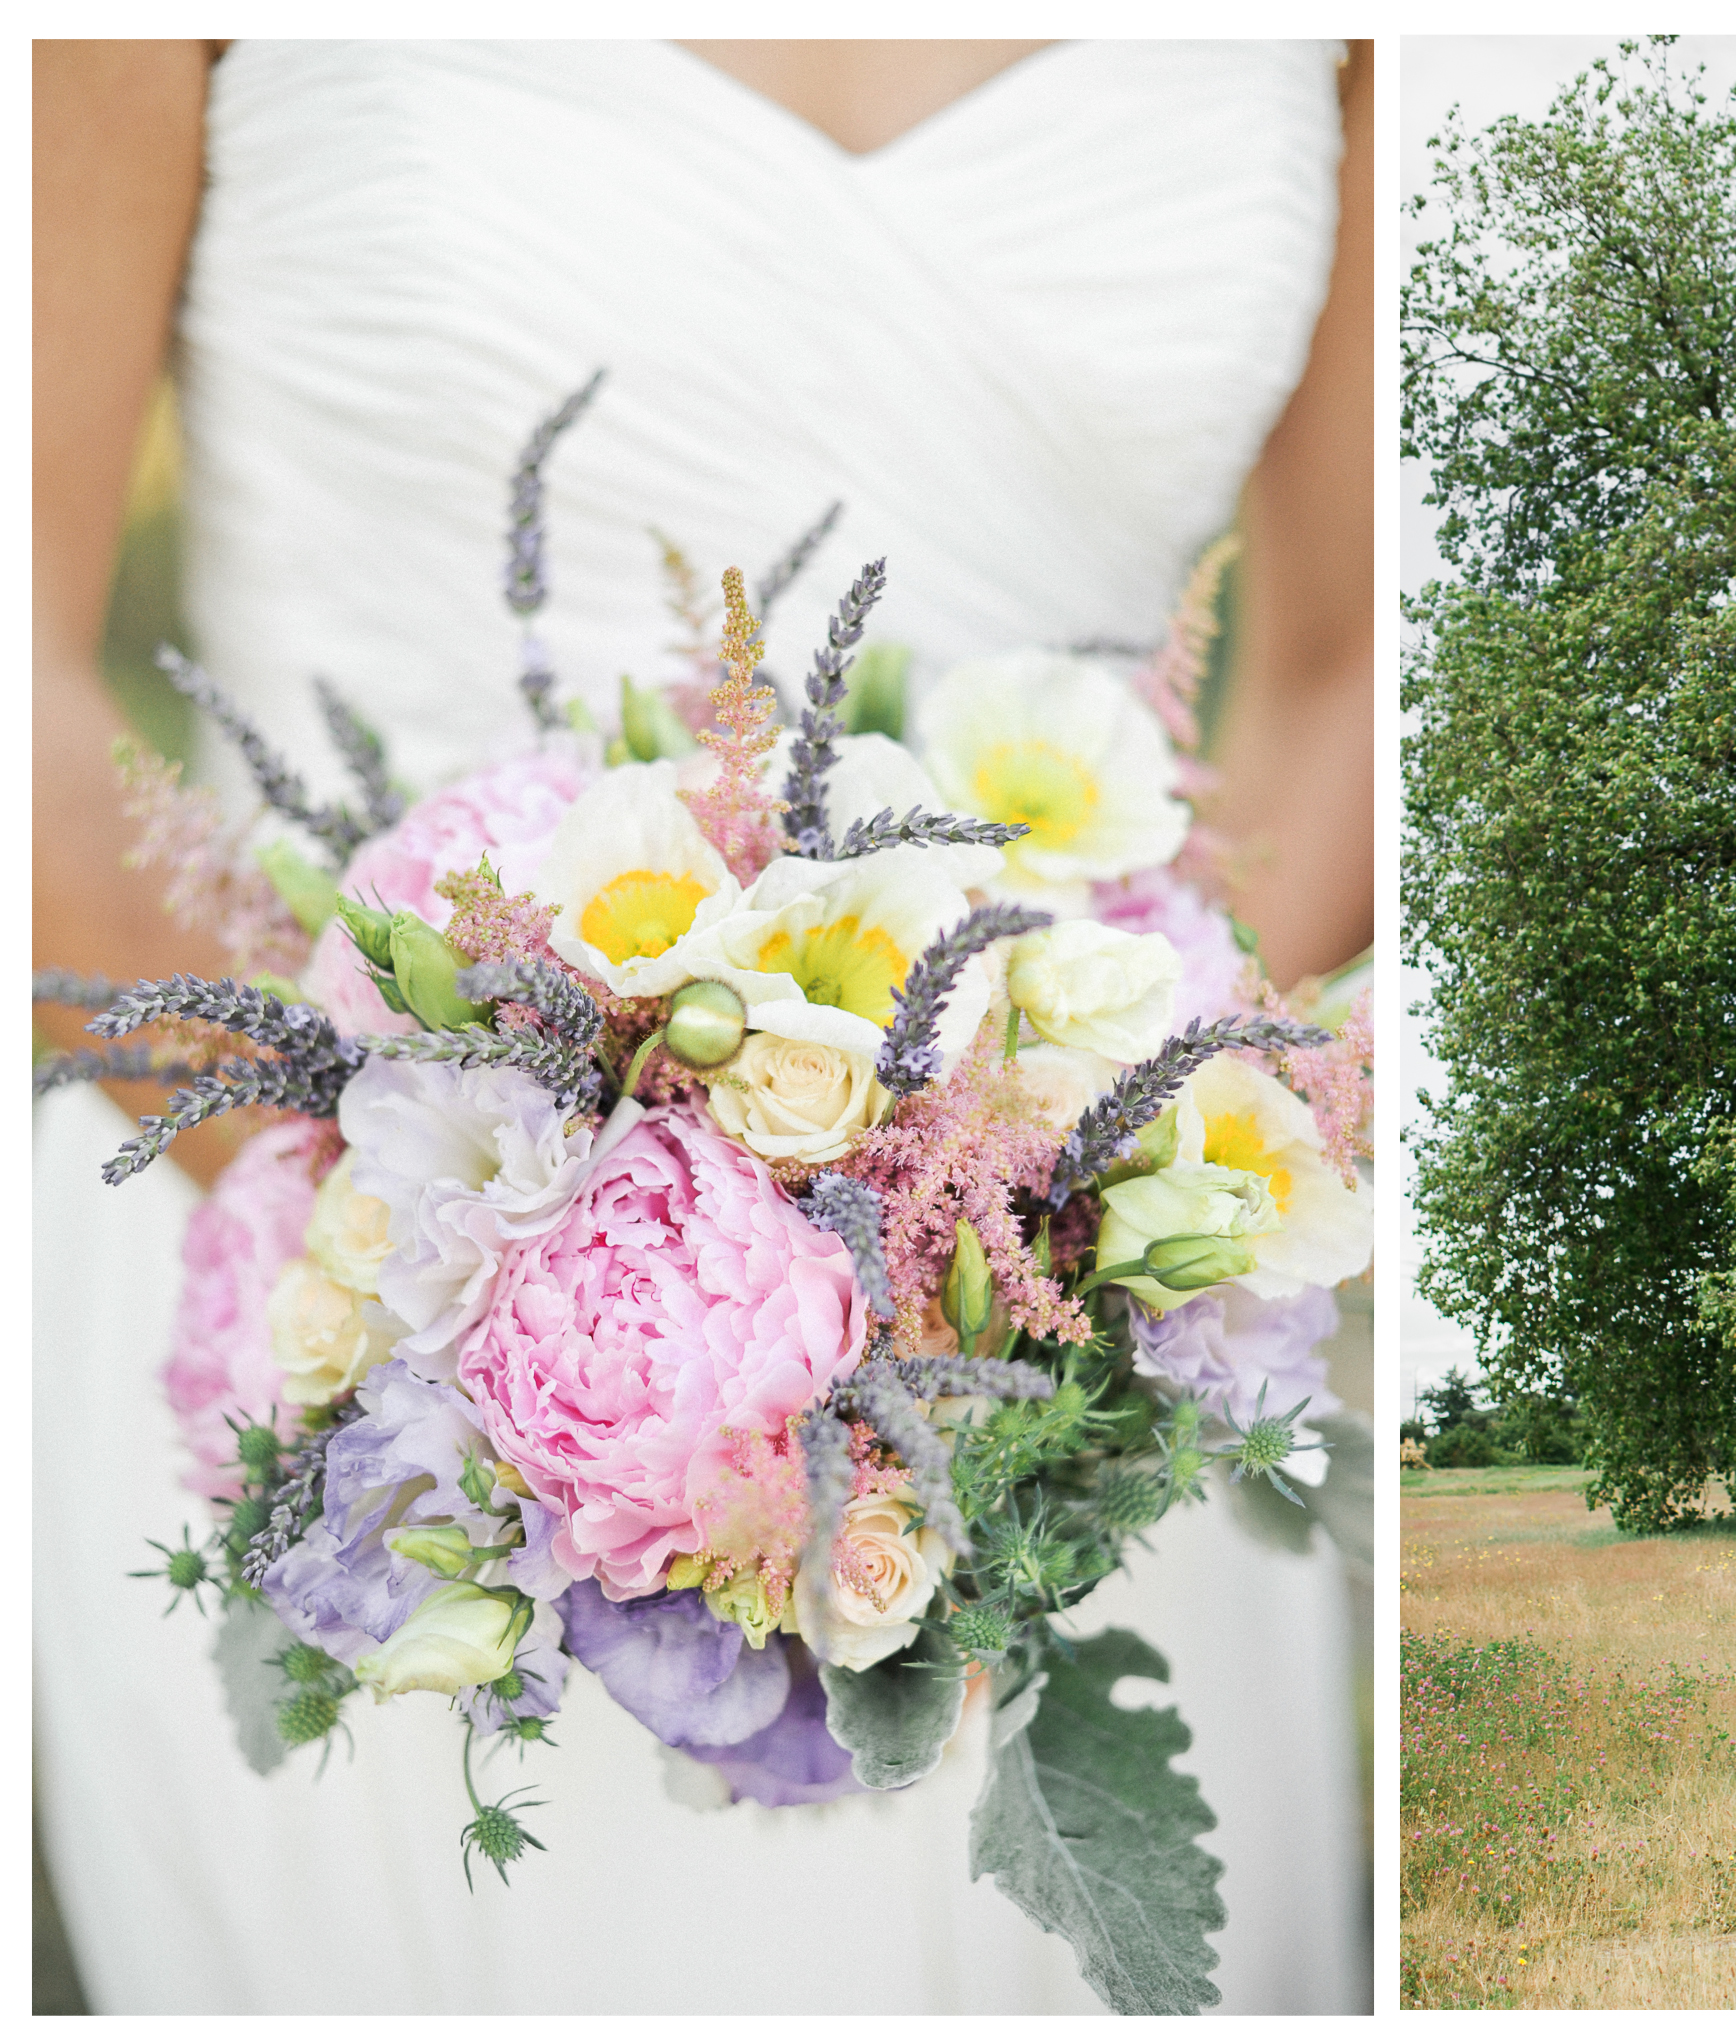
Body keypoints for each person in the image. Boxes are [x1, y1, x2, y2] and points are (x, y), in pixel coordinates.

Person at [33, 39, 1370, 2013]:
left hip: (1060, 1371)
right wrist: (431, 1250)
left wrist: (1049, 1207)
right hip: (340, 1320)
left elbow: (1343, 663)